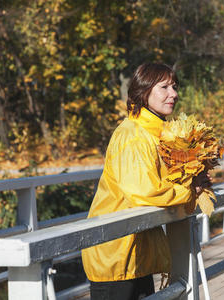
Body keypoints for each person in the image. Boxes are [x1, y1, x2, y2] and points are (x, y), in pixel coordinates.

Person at [81, 63, 211, 300]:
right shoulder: (132, 135)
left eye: (174, 86)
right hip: (116, 254)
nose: (174, 93)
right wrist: (190, 190)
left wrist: (194, 174)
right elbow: (145, 192)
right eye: (164, 87)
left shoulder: (157, 133)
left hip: (138, 251)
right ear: (143, 92)